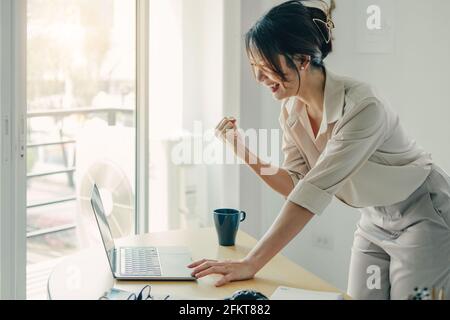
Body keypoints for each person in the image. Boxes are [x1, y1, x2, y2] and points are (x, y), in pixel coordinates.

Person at [187, 0, 450, 300]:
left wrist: (252, 262)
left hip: (422, 213)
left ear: (301, 60)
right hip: (374, 219)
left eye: (266, 66)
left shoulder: (363, 106)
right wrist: (240, 148)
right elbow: (296, 185)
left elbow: (313, 190)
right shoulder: (291, 111)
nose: (259, 78)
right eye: (254, 68)